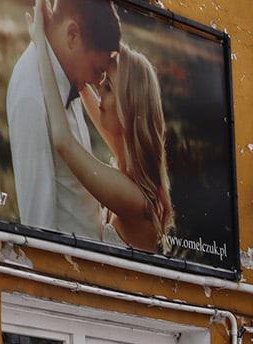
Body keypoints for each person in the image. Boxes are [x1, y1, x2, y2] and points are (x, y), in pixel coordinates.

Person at [25, 5, 171, 253]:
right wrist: (64, 48)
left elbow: (63, 141)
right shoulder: (129, 163)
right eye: (100, 79)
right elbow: (84, 87)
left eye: (108, 87)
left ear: (128, 109)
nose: (98, 88)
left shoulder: (135, 199)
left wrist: (41, 43)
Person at [9, 0, 119, 240]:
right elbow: (38, 227)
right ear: (72, 35)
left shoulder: (70, 75)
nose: (94, 82)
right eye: (96, 70)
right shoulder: (31, 95)